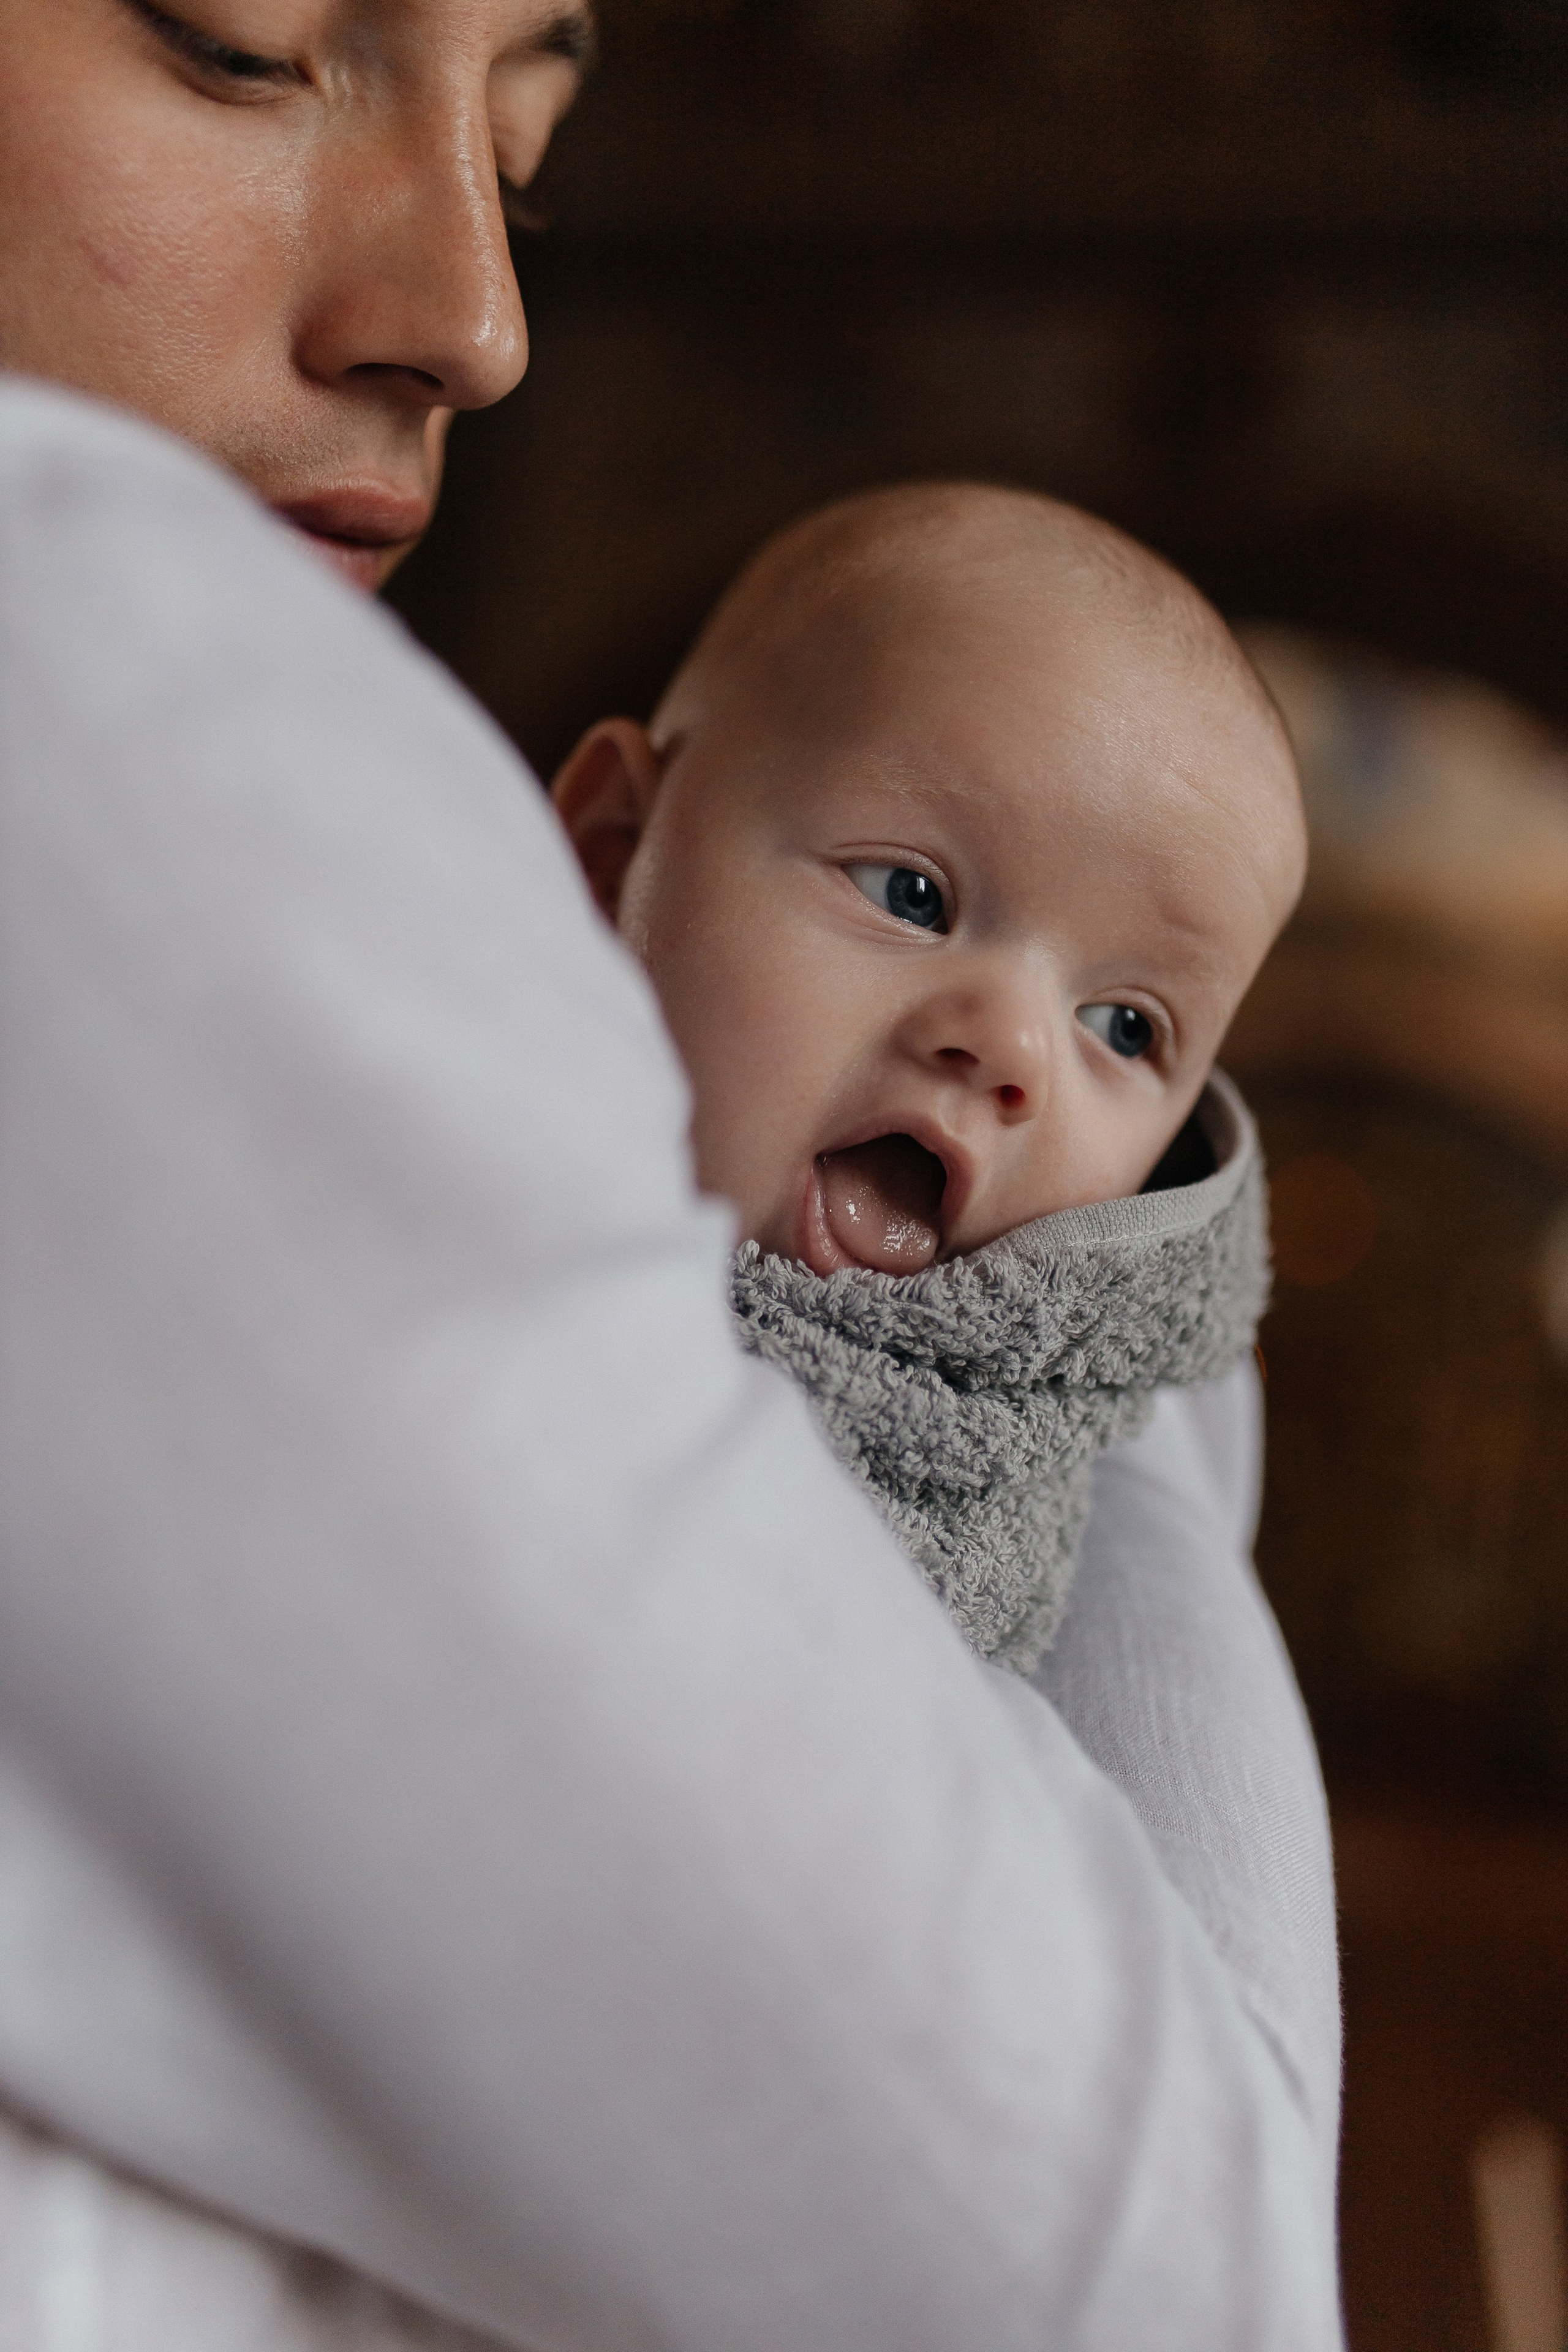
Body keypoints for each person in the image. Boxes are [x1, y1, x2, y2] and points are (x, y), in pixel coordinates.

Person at [0, 6, 1343, 2346]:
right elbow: (1154, 2277)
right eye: (245, 45)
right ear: (608, 840)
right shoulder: (99, 700)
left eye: (523, 148)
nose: (475, 319)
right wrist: (1135, 1385)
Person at [553, 482, 1302, 1670]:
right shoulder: (445, 1174)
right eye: (910, 895)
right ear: (612, 858)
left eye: (1118, 1024)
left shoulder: (1121, 1432)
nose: (1008, 1051)